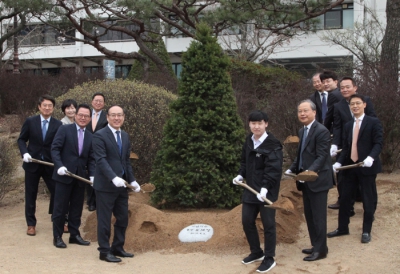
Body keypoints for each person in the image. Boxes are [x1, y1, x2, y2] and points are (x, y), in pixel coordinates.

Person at [232, 110, 283, 273]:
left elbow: (274, 169)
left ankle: (269, 257)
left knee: (268, 224)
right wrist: (240, 175)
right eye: (253, 123)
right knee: (247, 221)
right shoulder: (249, 140)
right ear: (249, 124)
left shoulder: (273, 144)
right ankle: (256, 252)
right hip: (251, 189)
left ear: (266, 124)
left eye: (259, 123)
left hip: (266, 191)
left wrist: (265, 187)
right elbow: (244, 161)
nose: (256, 126)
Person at [328, 94, 383, 244]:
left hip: (367, 167)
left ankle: (366, 230)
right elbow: (346, 148)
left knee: (367, 199)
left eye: (358, 103)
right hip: (350, 167)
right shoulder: (348, 125)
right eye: (352, 104)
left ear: (364, 105)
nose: (355, 106)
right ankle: (342, 228)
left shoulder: (373, 122)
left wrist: (371, 157)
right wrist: (339, 163)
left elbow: (378, 143)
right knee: (345, 198)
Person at [92, 105, 141, 263]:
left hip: (122, 186)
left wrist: (132, 180)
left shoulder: (125, 136)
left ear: (124, 117)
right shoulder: (99, 135)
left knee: (122, 218)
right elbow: (100, 160)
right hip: (105, 186)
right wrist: (113, 177)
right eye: (113, 115)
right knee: (105, 220)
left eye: (119, 115)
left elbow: (126, 160)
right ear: (107, 117)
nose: (116, 118)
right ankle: (104, 251)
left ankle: (117, 247)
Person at [285, 99, 333, 261]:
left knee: (319, 217)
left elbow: (321, 157)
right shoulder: (302, 131)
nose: (302, 114)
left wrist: (308, 172)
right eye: (300, 111)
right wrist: (293, 168)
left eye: (306, 110)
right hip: (305, 181)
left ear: (314, 112)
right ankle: (316, 245)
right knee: (310, 215)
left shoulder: (322, 131)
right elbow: (301, 154)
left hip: (317, 180)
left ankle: (321, 251)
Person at [51, 104, 95, 248]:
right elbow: (55, 149)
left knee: (77, 208)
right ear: (75, 116)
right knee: (60, 208)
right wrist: (59, 166)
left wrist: (92, 176)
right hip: (64, 176)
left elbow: (91, 159)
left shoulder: (90, 136)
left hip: (80, 177)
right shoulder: (64, 129)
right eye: (80, 115)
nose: (83, 118)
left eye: (86, 116)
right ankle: (57, 236)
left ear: (89, 118)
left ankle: (74, 235)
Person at [328, 77, 376, 210]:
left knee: (366, 178)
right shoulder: (338, 106)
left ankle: (368, 206)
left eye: (347, 87)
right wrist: (335, 144)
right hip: (346, 146)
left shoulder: (365, 101)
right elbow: (337, 126)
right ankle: (345, 203)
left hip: (364, 146)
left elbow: (373, 120)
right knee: (343, 176)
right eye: (342, 87)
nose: (344, 90)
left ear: (355, 88)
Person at [17, 94, 62, 236]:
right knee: (31, 194)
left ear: (53, 108)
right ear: (39, 107)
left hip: (50, 164)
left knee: (56, 192)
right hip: (32, 164)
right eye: (45, 105)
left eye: (50, 106)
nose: (47, 108)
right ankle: (31, 224)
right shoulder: (30, 121)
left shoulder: (58, 124)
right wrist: (25, 153)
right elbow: (21, 140)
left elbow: (59, 145)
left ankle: (58, 220)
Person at [86, 92, 108, 212]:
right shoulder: (86, 114)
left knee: (99, 175)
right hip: (86, 148)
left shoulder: (106, 116)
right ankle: (90, 202)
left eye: (101, 101)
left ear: (104, 104)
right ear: (92, 102)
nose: (98, 103)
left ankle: (98, 201)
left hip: (100, 149)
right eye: (96, 100)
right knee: (89, 176)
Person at [60, 98, 78, 233]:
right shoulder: (62, 124)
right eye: (68, 108)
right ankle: (63, 221)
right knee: (63, 196)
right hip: (65, 165)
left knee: (75, 197)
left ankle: (72, 222)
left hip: (77, 165)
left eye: (73, 107)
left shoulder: (79, 122)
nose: (71, 110)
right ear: (64, 110)